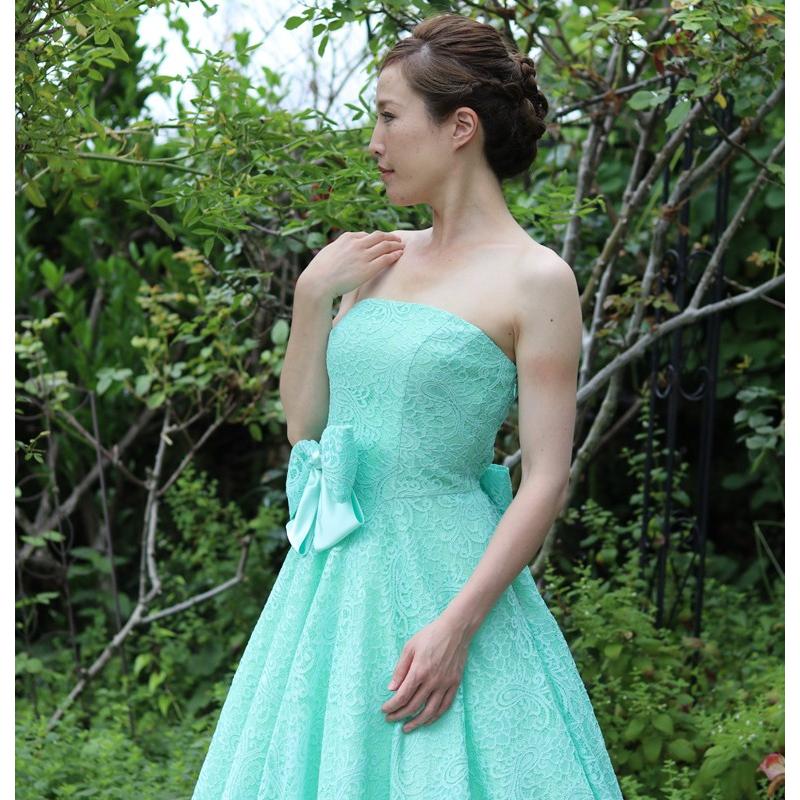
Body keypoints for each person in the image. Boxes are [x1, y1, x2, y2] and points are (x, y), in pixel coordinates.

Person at [192, 11, 624, 799]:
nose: (374, 142)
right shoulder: (376, 258)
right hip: (330, 585)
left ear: (460, 128)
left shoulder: (536, 279)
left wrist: (457, 627)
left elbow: (544, 479)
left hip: (448, 579)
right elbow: (307, 429)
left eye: (389, 117)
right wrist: (312, 296)